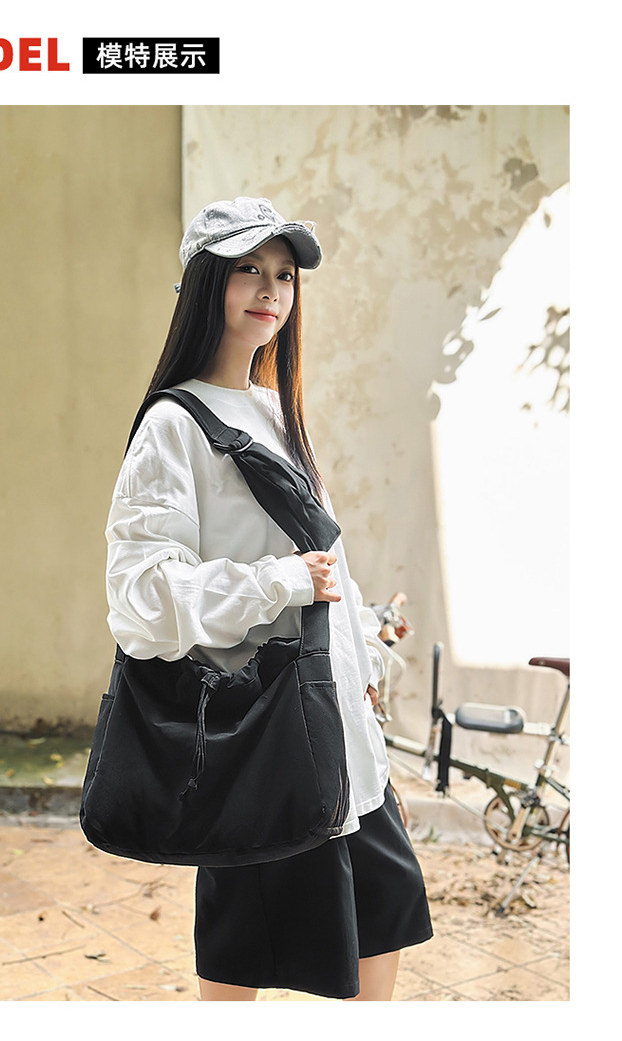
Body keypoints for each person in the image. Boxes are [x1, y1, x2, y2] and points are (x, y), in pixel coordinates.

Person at [105, 197, 433, 1001]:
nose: (270, 289)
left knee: (386, 907)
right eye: (248, 268)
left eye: (284, 274)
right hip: (260, 730)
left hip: (334, 721)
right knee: (244, 944)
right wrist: (277, 583)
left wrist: (363, 660)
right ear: (205, 282)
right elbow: (140, 597)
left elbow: (326, 561)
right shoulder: (173, 427)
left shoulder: (274, 411)